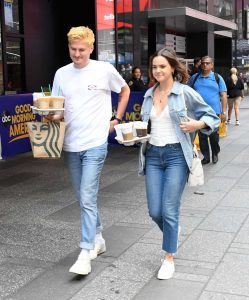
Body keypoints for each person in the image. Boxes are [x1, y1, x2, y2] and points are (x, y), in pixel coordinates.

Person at [47, 26, 130, 275]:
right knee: (84, 198)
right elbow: (58, 109)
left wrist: (115, 118)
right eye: (73, 49)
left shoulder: (103, 69)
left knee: (86, 194)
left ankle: (85, 251)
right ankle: (99, 238)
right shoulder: (61, 73)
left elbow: (124, 90)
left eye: (82, 49)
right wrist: (49, 116)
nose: (77, 54)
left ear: (91, 48)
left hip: (95, 142)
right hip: (70, 144)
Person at [138, 48, 219, 280]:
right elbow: (145, 127)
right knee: (155, 211)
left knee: (169, 209)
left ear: (173, 67)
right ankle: (172, 231)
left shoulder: (185, 93)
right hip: (153, 155)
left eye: (162, 66)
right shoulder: (147, 95)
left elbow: (212, 116)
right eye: (154, 67)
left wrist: (197, 125)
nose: (158, 70)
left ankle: (168, 257)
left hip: (176, 157)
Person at [188, 56, 227, 165]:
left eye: (207, 63)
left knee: (214, 135)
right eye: (203, 63)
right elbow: (187, 92)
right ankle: (206, 156)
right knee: (202, 136)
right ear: (200, 64)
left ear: (211, 65)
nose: (205, 65)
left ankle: (215, 153)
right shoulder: (195, 78)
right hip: (198, 112)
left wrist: (224, 112)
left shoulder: (217, 77)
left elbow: (223, 95)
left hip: (213, 112)